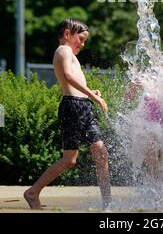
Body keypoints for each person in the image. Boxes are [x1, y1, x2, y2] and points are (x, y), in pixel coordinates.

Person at [24, 18, 111, 210]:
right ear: (67, 34)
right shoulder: (63, 50)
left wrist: (90, 92)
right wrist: (94, 97)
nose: (82, 43)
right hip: (72, 107)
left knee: (101, 154)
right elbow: (68, 77)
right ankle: (32, 192)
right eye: (80, 38)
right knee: (69, 160)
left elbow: (75, 81)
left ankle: (107, 205)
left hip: (82, 105)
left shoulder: (71, 54)